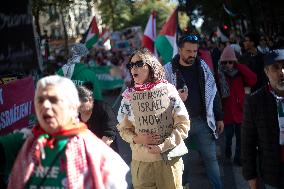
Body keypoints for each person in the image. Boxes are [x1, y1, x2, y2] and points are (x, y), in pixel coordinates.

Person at [0, 75, 129, 188]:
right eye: (40, 100)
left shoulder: (98, 153)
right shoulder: (24, 142)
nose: (45, 106)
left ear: (73, 106)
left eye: (53, 100)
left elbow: (110, 131)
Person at [117, 48, 190, 189]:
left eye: (139, 63)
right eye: (130, 65)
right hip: (141, 163)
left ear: (151, 65)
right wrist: (138, 139)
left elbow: (183, 125)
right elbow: (123, 129)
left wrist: (163, 146)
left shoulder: (168, 91)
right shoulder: (128, 97)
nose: (133, 68)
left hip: (168, 160)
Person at [164, 34, 224, 189]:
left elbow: (213, 92)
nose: (192, 54)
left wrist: (219, 117)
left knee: (210, 159)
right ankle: (183, 186)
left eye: (195, 51)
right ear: (180, 49)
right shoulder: (168, 70)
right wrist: (177, 96)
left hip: (202, 121)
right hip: (178, 124)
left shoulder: (203, 67)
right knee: (180, 159)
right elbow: (160, 98)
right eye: (188, 51)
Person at [242, 49, 284, 189]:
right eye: (276, 68)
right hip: (272, 174)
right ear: (266, 72)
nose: (282, 72)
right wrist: (250, 176)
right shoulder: (255, 101)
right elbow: (248, 142)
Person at [218, 46, 257, 166]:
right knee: (228, 138)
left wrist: (239, 66)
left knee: (240, 139)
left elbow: (253, 80)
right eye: (225, 62)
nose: (228, 65)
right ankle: (228, 151)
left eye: (231, 62)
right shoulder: (219, 74)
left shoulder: (240, 72)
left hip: (240, 111)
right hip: (227, 113)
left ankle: (238, 158)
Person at [77, 83, 118, 151]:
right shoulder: (75, 113)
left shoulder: (104, 109)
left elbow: (108, 137)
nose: (78, 109)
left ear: (90, 100)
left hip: (105, 152)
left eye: (81, 106)